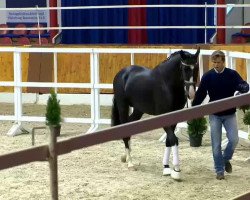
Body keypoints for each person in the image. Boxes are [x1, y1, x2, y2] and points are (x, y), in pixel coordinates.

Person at [192, 50, 249, 180]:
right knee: (216, 145)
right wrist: (194, 108)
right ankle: (219, 171)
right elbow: (200, 94)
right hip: (214, 115)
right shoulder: (207, 77)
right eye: (214, 62)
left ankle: (225, 159)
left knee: (234, 139)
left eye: (218, 62)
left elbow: (242, 85)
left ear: (223, 61)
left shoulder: (232, 74)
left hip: (230, 114)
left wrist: (244, 87)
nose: (216, 65)